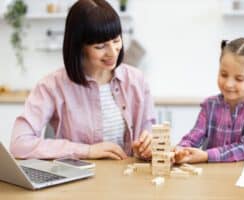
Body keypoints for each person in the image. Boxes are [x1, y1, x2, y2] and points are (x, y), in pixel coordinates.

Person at [10, 0, 155, 160]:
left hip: (128, 181)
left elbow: (151, 136)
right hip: (78, 181)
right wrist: (86, 151)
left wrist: (148, 147)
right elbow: (19, 144)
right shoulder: (52, 86)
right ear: (79, 46)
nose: (112, 53)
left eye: (116, 40)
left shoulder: (137, 80)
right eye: (100, 46)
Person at [174, 37, 244, 163]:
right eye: (224, 75)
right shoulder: (209, 105)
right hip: (216, 176)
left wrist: (207, 156)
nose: (228, 84)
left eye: (239, 79)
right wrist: (181, 150)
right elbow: (193, 137)